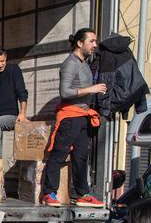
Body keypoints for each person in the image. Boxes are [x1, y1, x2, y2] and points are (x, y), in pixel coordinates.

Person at [42, 28, 106, 207]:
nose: (94, 45)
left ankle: (82, 194)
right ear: (80, 43)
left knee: (81, 156)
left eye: (95, 41)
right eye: (91, 41)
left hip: (83, 116)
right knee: (59, 154)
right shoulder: (70, 63)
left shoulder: (84, 63)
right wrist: (90, 89)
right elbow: (65, 92)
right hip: (70, 116)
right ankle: (49, 193)